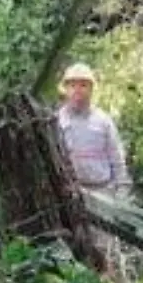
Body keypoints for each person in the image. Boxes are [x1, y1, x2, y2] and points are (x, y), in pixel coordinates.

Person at [56, 64, 131, 200]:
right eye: (73, 85)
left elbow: (117, 159)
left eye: (83, 85)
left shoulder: (103, 121)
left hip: (103, 193)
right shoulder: (57, 121)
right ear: (65, 89)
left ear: (91, 89)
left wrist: (121, 195)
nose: (78, 90)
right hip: (69, 196)